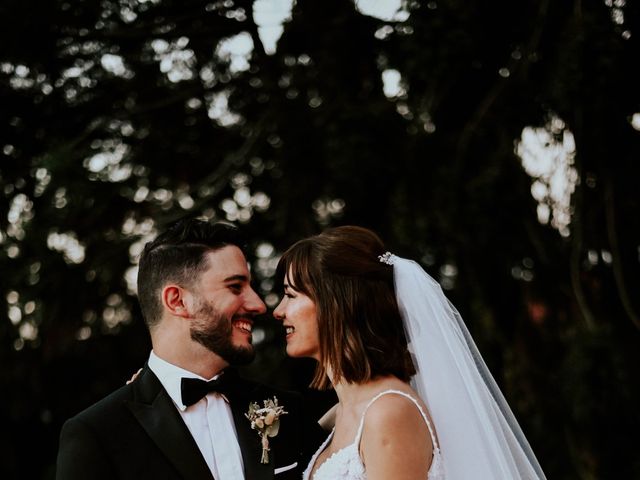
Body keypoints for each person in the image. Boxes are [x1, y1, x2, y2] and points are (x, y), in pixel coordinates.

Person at [56, 218, 323, 480]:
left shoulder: (288, 410)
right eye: (235, 287)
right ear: (177, 301)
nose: (258, 305)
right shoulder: (99, 434)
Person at [273, 225, 547, 480]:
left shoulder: (389, 413)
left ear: (336, 304)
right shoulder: (341, 413)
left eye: (291, 294)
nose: (279, 311)